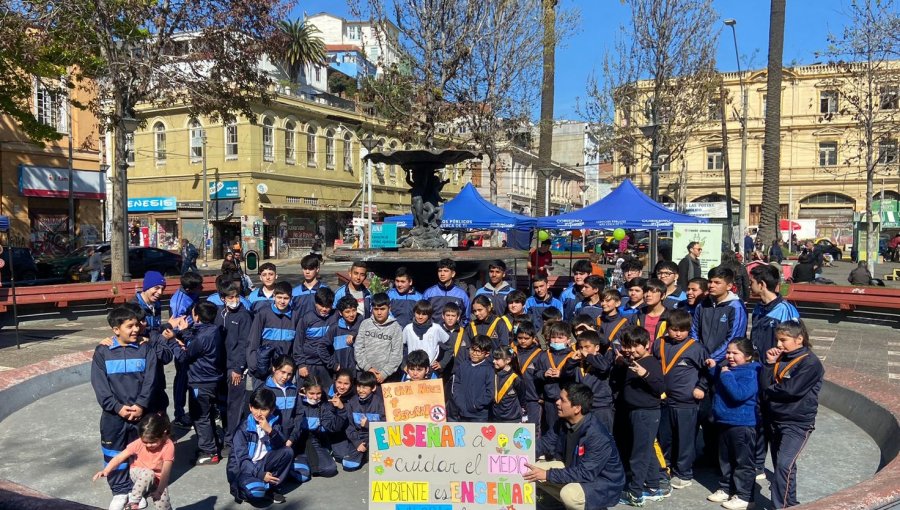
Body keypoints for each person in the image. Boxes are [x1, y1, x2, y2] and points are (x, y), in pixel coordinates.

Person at [91, 306, 159, 510]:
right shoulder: (103, 352)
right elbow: (100, 385)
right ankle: (120, 491)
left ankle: (137, 491)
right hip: (114, 416)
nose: (135, 329)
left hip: (141, 414)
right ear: (115, 329)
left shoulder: (146, 349)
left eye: (137, 325)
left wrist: (140, 405)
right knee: (113, 452)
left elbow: (151, 380)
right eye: (129, 326)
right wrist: (117, 407)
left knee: (140, 454)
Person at [524, 383, 625, 510]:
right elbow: (545, 443)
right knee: (528, 470)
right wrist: (520, 453)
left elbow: (586, 473)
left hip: (602, 483)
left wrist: (548, 475)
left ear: (577, 408)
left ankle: (591, 506)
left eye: (563, 400)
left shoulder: (597, 435)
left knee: (569, 494)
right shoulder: (562, 422)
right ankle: (562, 505)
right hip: (574, 468)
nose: (557, 402)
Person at [762, 320, 824, 509]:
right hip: (775, 419)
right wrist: (769, 365)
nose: (779, 345)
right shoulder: (781, 357)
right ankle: (791, 503)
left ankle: (780, 506)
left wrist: (769, 388)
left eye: (783, 340)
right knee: (784, 468)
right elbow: (765, 383)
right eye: (777, 340)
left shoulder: (810, 363)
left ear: (799, 339)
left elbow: (791, 390)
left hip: (797, 423)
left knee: (784, 465)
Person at [651, 309, 708, 491]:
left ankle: (684, 473)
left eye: (682, 330)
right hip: (662, 400)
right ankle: (664, 468)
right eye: (674, 329)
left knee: (685, 439)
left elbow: (707, 371)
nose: (678, 333)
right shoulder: (659, 343)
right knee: (664, 437)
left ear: (689, 329)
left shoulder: (696, 348)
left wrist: (701, 387)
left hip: (685, 402)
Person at [613, 326, 666, 507]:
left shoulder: (651, 363)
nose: (632, 350)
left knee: (639, 454)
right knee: (646, 450)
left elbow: (660, 388)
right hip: (635, 412)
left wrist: (646, 375)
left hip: (647, 413)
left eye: (636, 346)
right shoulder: (631, 361)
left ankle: (635, 493)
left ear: (647, 345)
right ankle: (653, 486)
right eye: (628, 346)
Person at [705, 338, 760, 510]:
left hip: (742, 425)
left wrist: (725, 374)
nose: (730, 356)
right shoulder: (729, 370)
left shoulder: (750, 372)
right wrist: (714, 368)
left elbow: (738, 393)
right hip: (724, 422)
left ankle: (745, 496)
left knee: (742, 462)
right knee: (725, 460)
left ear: (748, 356)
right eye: (728, 352)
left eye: (735, 353)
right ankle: (726, 488)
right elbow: (721, 382)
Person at [169, 301, 223, 465]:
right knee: (207, 415)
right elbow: (195, 342)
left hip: (201, 381)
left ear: (197, 316)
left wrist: (173, 341)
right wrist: (185, 333)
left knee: (200, 417)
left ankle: (209, 451)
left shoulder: (203, 336)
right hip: (211, 379)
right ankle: (212, 445)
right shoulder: (213, 330)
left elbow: (185, 356)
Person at [92, 413, 175, 510]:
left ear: (164, 433)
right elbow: (119, 457)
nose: (148, 445)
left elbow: (165, 472)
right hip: (138, 472)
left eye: (152, 442)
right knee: (148, 473)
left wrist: (160, 491)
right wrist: (106, 470)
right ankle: (133, 503)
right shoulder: (139, 443)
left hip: (159, 479)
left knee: (163, 504)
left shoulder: (168, 446)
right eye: (145, 442)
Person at [226, 387, 293, 505]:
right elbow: (242, 460)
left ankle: (270, 488)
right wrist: (260, 475)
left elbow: (280, 447)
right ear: (250, 407)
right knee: (256, 491)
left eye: (264, 409)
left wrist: (270, 431)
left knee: (288, 452)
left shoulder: (273, 423)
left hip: (263, 464)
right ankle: (251, 487)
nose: (259, 413)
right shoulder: (243, 429)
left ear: (271, 410)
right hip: (244, 470)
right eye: (255, 408)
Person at [216, 278, 252, 449]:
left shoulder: (244, 315)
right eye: (230, 297)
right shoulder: (219, 313)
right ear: (222, 298)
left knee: (235, 405)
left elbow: (245, 344)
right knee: (222, 403)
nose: (234, 300)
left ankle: (232, 441)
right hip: (220, 367)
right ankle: (226, 433)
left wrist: (238, 368)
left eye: (236, 296)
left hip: (235, 369)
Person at [167, 272, 202, 429]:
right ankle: (179, 414)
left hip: (192, 337)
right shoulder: (178, 302)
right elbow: (175, 324)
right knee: (182, 378)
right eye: (198, 287)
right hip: (182, 342)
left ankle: (195, 410)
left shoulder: (192, 294)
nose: (201, 288)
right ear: (189, 289)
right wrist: (180, 340)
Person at [692, 266, 748, 363]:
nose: (711, 285)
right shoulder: (702, 304)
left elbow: (734, 338)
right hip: (700, 359)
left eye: (717, 283)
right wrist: (698, 354)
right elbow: (694, 331)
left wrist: (712, 359)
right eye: (710, 281)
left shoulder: (736, 307)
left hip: (723, 363)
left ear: (729, 286)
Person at [289, 377, 341, 480]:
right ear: (304, 391)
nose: (315, 397)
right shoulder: (296, 402)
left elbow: (333, 427)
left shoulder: (324, 405)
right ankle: (300, 462)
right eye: (311, 393)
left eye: (318, 393)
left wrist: (341, 409)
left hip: (314, 441)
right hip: (297, 442)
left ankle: (312, 461)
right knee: (302, 476)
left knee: (330, 469)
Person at [247, 282, 297, 386]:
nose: (282, 301)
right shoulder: (263, 314)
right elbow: (253, 341)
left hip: (284, 372)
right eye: (279, 297)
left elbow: (296, 346)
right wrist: (253, 366)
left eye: (286, 298)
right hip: (263, 369)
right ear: (274, 296)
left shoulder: (295, 316)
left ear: (291, 298)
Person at [533, 321, 577, 437]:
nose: (556, 341)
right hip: (550, 399)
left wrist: (562, 374)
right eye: (553, 338)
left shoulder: (573, 356)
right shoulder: (543, 355)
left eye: (560, 338)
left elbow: (577, 377)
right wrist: (543, 374)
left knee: (567, 429)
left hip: (568, 400)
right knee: (551, 428)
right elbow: (535, 373)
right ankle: (552, 453)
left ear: (568, 340)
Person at [570, 329, 615, 433]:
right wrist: (572, 361)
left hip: (601, 407)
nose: (583, 350)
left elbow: (604, 367)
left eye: (587, 347)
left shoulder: (601, 359)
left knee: (603, 438)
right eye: (581, 347)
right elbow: (566, 373)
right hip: (584, 406)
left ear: (597, 348)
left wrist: (589, 356)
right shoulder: (579, 362)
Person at [338, 371, 384, 471]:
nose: (361, 390)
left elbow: (385, 426)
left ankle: (369, 452)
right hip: (359, 437)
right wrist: (357, 442)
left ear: (373, 388)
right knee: (348, 465)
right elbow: (349, 427)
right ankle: (363, 453)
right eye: (359, 386)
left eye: (365, 387)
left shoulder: (380, 403)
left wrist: (368, 424)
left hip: (376, 437)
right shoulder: (352, 402)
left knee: (384, 464)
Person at [293, 286, 337, 389]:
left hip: (327, 365)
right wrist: (301, 364)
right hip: (308, 365)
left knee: (327, 395)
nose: (325, 309)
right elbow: (298, 343)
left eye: (328, 306)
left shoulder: (336, 316)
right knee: (307, 395)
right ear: (315, 303)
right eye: (321, 305)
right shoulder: (306, 319)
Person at [354, 292, 404, 384]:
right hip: (365, 375)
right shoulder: (365, 324)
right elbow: (358, 349)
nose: (379, 312)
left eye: (382, 309)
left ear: (389, 308)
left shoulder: (395, 327)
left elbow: (397, 354)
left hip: (387, 378)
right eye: (376, 309)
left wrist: (384, 373)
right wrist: (367, 368)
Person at [450, 334, 494, 422]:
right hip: (462, 413)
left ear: (487, 354)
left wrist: (476, 405)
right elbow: (456, 386)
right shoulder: (463, 366)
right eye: (472, 349)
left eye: (478, 351)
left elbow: (490, 392)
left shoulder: (489, 370)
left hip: (480, 415)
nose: (474, 353)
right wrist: (460, 403)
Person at [514, 320, 544, 430]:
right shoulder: (512, 351)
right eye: (520, 338)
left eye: (526, 338)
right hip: (514, 398)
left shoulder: (540, 354)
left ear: (533, 338)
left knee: (533, 429)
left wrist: (541, 396)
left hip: (532, 398)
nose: (522, 341)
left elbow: (542, 377)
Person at [424, 258, 471, 323]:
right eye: (440, 271)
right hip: (434, 332)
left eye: (446, 271)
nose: (442, 274)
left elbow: (466, 317)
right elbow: (423, 314)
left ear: (453, 273)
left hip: (454, 332)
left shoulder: (462, 294)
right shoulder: (429, 293)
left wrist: (460, 330)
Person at [325, 295, 362, 374]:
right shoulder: (334, 329)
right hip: (341, 373)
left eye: (354, 310)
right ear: (340, 313)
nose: (351, 314)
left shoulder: (362, 325)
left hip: (359, 372)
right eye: (347, 312)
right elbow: (321, 347)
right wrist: (333, 364)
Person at [402, 299, 445, 367]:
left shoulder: (436, 328)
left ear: (429, 315)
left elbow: (449, 347)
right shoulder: (408, 328)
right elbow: (401, 348)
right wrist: (404, 364)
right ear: (414, 312)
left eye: (424, 314)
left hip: (431, 370)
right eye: (418, 313)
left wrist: (442, 363)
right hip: (412, 369)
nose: (420, 317)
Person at [490, 345, 524, 423]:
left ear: (508, 360)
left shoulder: (516, 378)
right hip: (495, 417)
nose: (493, 361)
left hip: (512, 419)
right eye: (494, 358)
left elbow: (521, 397)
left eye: (497, 359)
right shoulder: (492, 374)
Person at [634, 279, 669, 347]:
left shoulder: (669, 317)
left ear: (663, 296)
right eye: (646, 291)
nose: (648, 295)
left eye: (653, 291)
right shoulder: (638, 315)